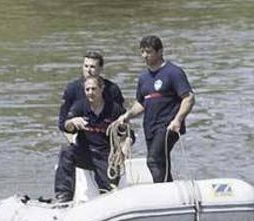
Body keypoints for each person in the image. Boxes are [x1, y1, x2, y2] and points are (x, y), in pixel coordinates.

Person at [116, 35, 195, 183]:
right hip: (150, 126)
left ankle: (163, 191)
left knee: (153, 160)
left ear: (160, 52)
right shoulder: (144, 77)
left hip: (168, 126)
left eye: (148, 52)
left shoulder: (173, 72)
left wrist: (178, 120)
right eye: (142, 52)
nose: (144, 55)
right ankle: (170, 193)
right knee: (161, 162)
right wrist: (127, 115)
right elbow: (141, 104)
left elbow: (188, 98)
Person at [53, 49, 124, 202]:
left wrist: (120, 149)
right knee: (67, 151)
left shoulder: (113, 91)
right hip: (83, 143)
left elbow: (122, 125)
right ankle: (63, 197)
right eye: (86, 66)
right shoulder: (73, 91)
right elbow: (64, 123)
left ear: (100, 69)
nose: (89, 70)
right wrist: (71, 134)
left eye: (92, 67)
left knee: (109, 188)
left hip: (105, 146)